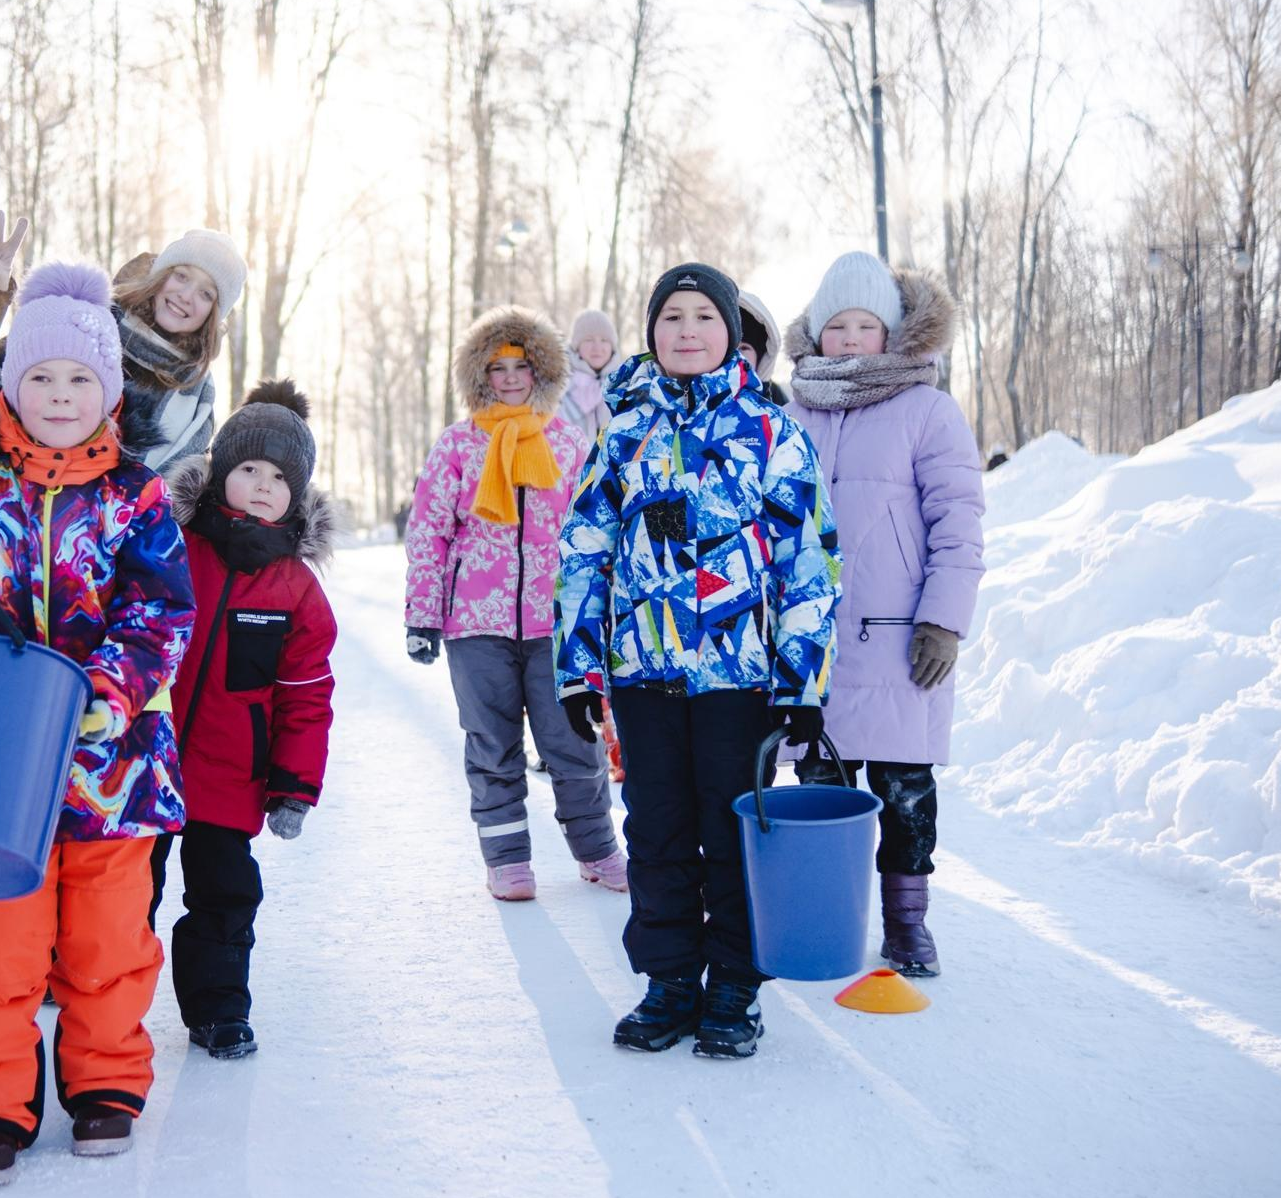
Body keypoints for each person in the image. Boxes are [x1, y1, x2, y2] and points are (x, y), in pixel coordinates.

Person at [0, 262, 194, 1185]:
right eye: (40, 377)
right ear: (11, 385)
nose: (60, 396)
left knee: (109, 943)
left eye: (78, 380)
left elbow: (162, 612)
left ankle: (105, 1085)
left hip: (114, 766)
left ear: (107, 390)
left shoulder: (138, 497)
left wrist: (102, 692)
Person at [555, 263, 840, 1058]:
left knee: (735, 832)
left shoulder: (770, 429)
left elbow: (808, 559)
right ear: (650, 333)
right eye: (670, 317)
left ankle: (735, 987)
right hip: (644, 672)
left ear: (731, 335)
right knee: (656, 831)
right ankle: (669, 981)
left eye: (702, 318)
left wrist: (800, 683)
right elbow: (582, 549)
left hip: (739, 677)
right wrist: (576, 667)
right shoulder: (621, 428)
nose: (686, 330)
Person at [783, 250, 984, 979]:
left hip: (900, 642)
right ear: (814, 332)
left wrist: (944, 618)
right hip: (814, 648)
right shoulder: (790, 410)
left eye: (864, 325)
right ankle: (828, 912)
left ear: (890, 334)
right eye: (835, 325)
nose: (848, 338)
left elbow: (957, 519)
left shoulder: (927, 411)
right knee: (823, 795)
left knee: (903, 796)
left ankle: (905, 925)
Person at [404, 307, 626, 901]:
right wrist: (423, 615)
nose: (508, 378)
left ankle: (598, 851)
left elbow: (593, 533)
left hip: (554, 625)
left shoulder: (566, 442)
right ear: (479, 375)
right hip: (475, 623)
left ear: (542, 372)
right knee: (491, 744)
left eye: (521, 367)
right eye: (495, 368)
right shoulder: (458, 443)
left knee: (573, 744)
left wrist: (599, 614)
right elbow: (429, 530)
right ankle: (506, 859)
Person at [152, 380, 337, 1061]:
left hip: (230, 776)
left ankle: (219, 1010)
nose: (262, 485)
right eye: (248, 469)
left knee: (226, 895)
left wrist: (293, 783)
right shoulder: (169, 550)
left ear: (297, 494)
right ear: (219, 475)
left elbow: (306, 695)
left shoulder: (295, 589)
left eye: (279, 477)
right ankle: (86, 988)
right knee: (121, 890)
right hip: (144, 764)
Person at [113, 230, 249, 472]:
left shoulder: (197, 393)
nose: (186, 296)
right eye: (182, 276)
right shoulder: (97, 327)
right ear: (161, 275)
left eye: (206, 294)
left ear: (213, 313)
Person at [560, 308, 621, 440]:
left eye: (604, 340)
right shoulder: (560, 387)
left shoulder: (625, 386)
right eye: (588, 340)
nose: (597, 347)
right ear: (576, 346)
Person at [736, 291, 789, 406]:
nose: (735, 355)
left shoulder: (773, 398)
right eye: (729, 349)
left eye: (744, 348)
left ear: (760, 359)